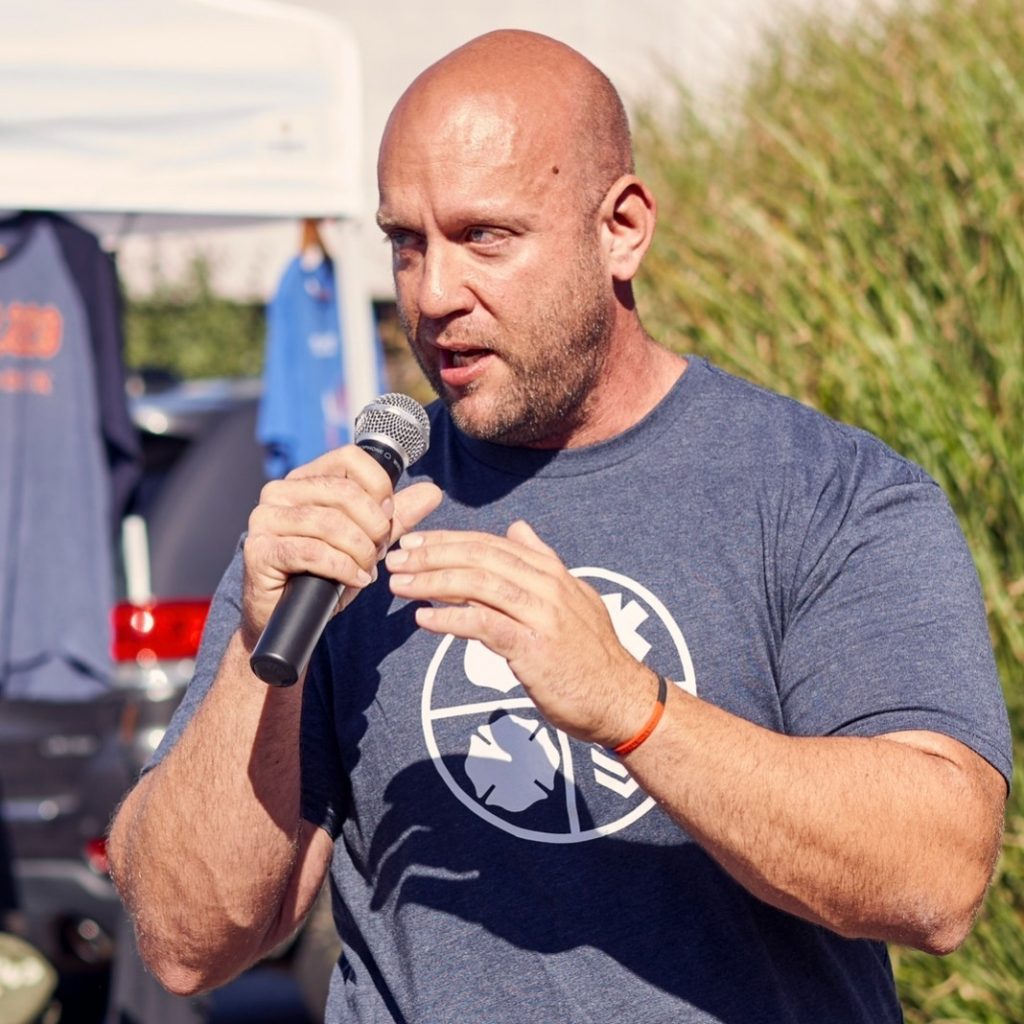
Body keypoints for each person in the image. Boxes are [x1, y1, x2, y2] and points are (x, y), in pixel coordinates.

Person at [108, 29, 1012, 1024]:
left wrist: (631, 706)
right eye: (406, 244)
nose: (434, 292)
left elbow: (935, 876)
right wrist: (252, 658)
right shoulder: (335, 527)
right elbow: (188, 943)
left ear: (620, 228)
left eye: (485, 236)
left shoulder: (826, 494)